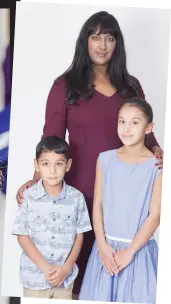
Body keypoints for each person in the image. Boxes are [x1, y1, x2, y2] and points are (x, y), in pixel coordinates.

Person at [16, 11, 163, 296]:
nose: (102, 45)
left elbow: (148, 133)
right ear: (85, 41)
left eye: (109, 38)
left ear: (117, 44)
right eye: (95, 37)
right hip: (79, 187)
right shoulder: (65, 85)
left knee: (121, 269)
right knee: (77, 269)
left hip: (125, 194)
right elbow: (52, 136)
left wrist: (158, 151)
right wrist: (37, 179)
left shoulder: (131, 86)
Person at [79, 97, 162, 303]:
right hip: (105, 252)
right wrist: (102, 247)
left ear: (148, 127)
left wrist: (129, 252)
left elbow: (155, 215)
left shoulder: (157, 166)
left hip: (137, 253)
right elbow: (97, 206)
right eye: (121, 121)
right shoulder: (105, 159)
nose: (126, 128)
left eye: (135, 122)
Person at [12, 136, 92, 299]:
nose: (53, 170)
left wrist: (66, 268)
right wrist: (45, 267)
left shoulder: (77, 198)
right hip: (34, 279)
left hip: (65, 280)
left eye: (59, 164)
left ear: (68, 165)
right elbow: (22, 236)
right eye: (46, 164)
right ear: (37, 165)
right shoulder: (28, 196)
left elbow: (79, 236)